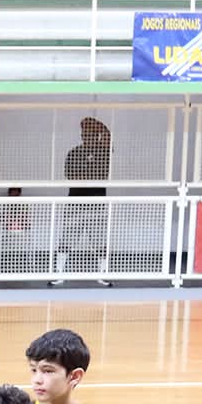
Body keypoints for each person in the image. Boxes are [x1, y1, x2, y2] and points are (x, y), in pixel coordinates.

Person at [55, 117, 111, 285]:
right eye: (85, 133)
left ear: (97, 136)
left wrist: (92, 122)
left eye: (92, 133)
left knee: (100, 240)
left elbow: (108, 134)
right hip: (76, 203)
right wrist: (88, 177)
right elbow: (70, 176)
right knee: (67, 239)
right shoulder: (74, 152)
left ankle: (102, 274)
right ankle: (59, 273)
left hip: (97, 205)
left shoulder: (103, 152)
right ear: (82, 136)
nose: (88, 137)